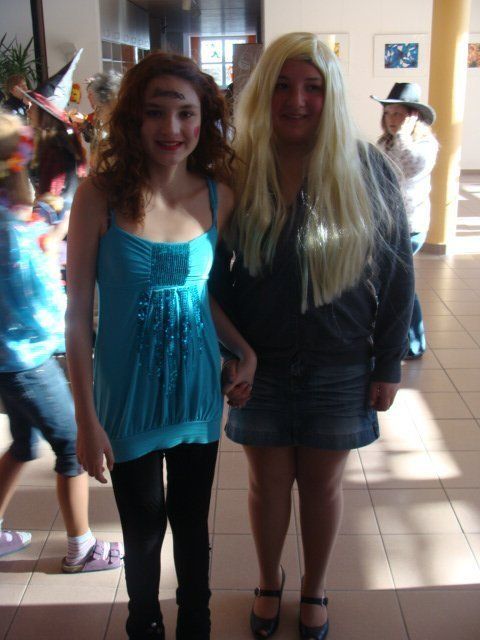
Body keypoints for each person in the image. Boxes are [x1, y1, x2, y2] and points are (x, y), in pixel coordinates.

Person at [209, 32, 414, 640]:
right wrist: (230, 354)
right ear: (262, 93)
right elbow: (210, 278)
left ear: (333, 95)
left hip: (341, 361)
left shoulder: (366, 167)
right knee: (267, 485)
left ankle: (315, 587)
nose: (296, 100)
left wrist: (389, 363)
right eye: (282, 85)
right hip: (260, 365)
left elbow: (398, 273)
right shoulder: (237, 169)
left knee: (323, 487)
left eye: (312, 87)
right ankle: (269, 581)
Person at [65, 52, 256, 640]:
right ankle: (143, 623)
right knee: (143, 528)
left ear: (204, 120)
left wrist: (243, 350)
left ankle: (196, 623)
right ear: (133, 119)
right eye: (155, 112)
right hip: (126, 395)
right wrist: (85, 420)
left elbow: (200, 295)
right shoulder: (98, 195)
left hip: (197, 391)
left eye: (185, 113)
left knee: (192, 523)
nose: (171, 128)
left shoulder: (221, 195)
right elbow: (77, 316)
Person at [0, 111, 123, 573]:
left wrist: (47, 235)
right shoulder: (10, 231)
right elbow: (38, 304)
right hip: (26, 361)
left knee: (23, 445)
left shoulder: (11, 225)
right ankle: (81, 548)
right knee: (72, 444)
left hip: (8, 360)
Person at [371, 82, 439, 359]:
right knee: (392, 282)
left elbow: (408, 167)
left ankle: (413, 343)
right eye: (388, 113)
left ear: (414, 117)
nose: (391, 119)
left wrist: (403, 134)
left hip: (410, 227)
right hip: (386, 224)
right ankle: (400, 339)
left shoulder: (424, 145)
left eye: (399, 114)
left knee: (399, 283)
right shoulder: (384, 143)